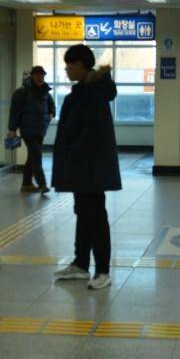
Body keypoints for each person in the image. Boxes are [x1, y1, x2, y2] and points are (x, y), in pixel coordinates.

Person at [52, 44, 121, 290]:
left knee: (95, 217)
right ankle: (81, 264)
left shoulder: (92, 93)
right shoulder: (85, 90)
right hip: (82, 166)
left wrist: (72, 152)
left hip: (90, 167)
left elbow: (92, 132)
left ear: (81, 65)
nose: (67, 68)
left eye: (70, 64)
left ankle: (102, 270)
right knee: (83, 213)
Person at [8, 66, 55, 194]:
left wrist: (50, 115)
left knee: (32, 157)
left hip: (40, 130)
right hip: (28, 130)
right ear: (32, 76)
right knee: (37, 155)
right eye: (37, 75)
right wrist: (12, 129)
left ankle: (26, 184)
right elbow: (14, 112)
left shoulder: (45, 91)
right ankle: (42, 184)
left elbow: (52, 106)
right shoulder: (22, 92)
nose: (40, 77)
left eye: (42, 75)